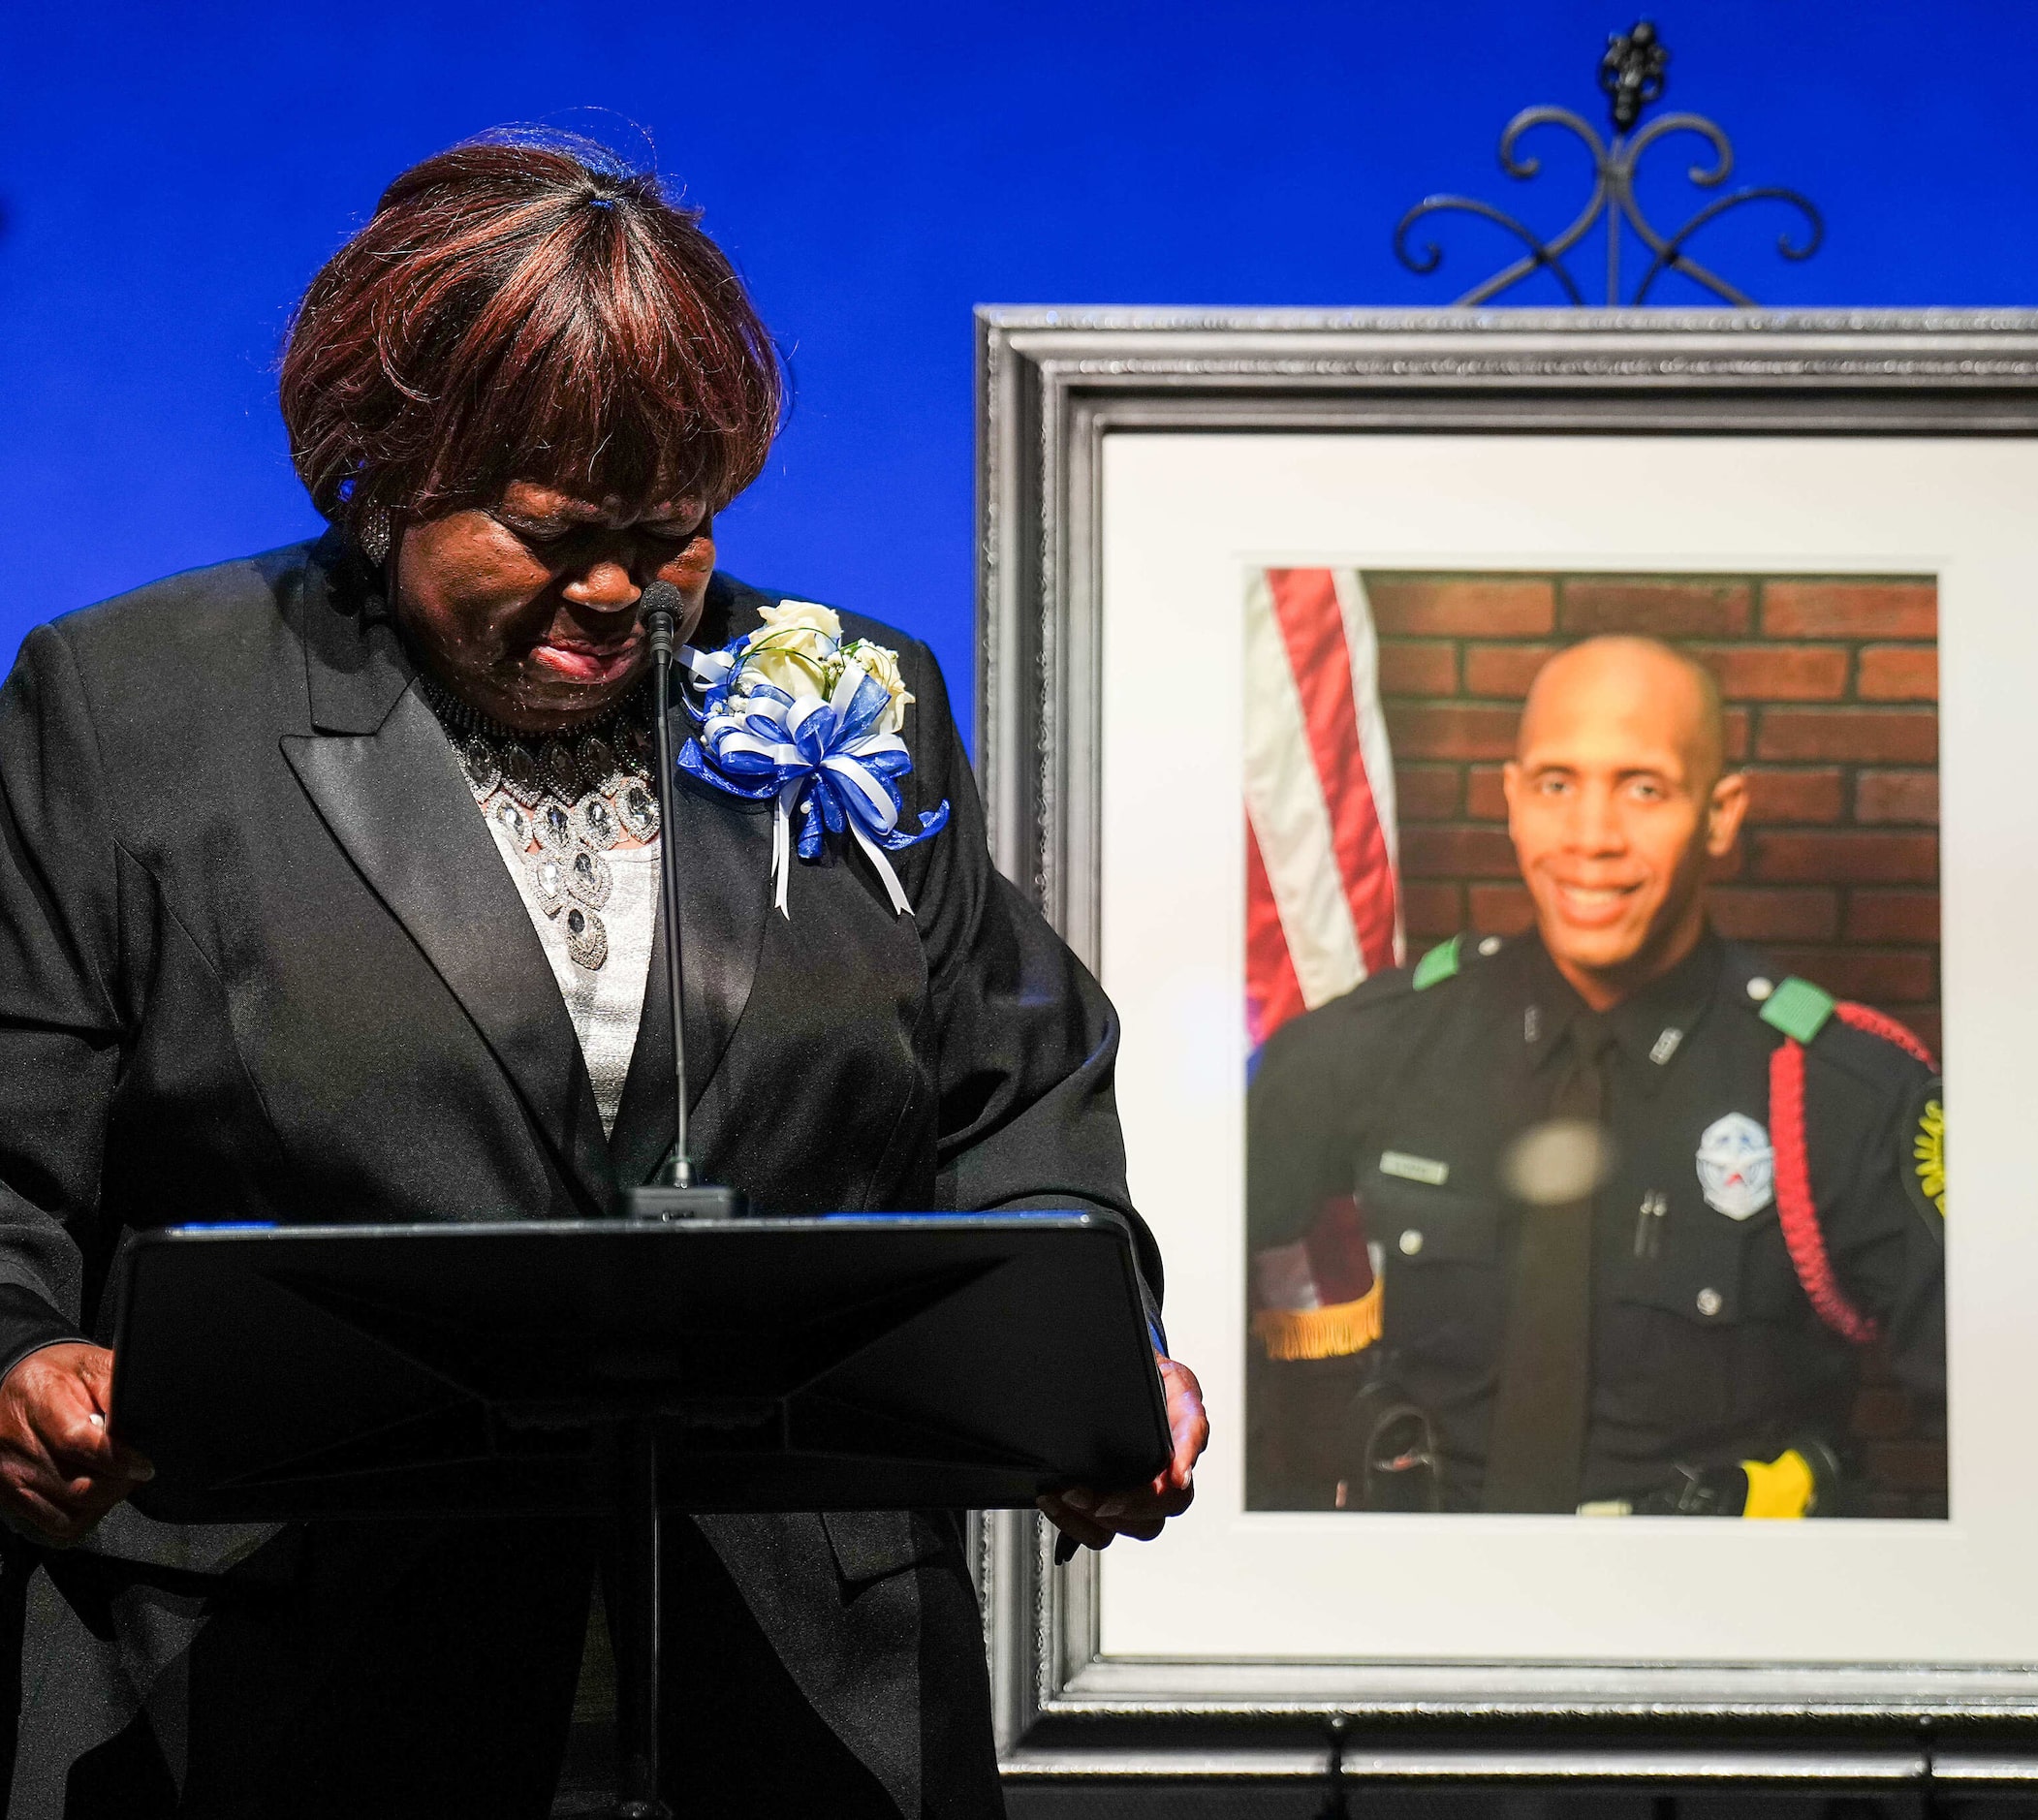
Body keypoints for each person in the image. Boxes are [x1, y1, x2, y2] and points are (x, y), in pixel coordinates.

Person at [0, 133, 1205, 1818]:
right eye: (554, 534)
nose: (623, 598)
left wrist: (1096, 1356)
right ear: (384, 464)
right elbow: (12, 1163)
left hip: (793, 1704)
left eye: (677, 535)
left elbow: (1018, 1089)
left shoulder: (856, 694)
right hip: (286, 1692)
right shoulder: (134, 713)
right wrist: (21, 1362)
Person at [1244, 636, 1941, 1518]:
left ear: (1721, 814)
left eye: (1643, 789)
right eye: (1555, 785)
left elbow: (2015, 1424)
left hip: (1713, 1619)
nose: (1590, 839)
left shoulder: (1842, 1091)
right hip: (1423, 1602)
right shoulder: (1379, 1046)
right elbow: (1158, 1260)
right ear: (1511, 799)